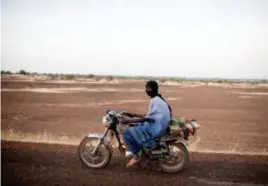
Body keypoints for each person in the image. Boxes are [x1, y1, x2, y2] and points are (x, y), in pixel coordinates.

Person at [119, 80, 172, 167]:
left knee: (127, 134)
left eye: (147, 88)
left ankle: (136, 156)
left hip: (156, 128)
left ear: (151, 90)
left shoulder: (154, 101)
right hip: (159, 125)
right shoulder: (158, 99)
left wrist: (128, 120)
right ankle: (142, 152)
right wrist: (132, 114)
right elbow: (150, 115)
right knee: (136, 127)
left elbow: (147, 118)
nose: (146, 90)